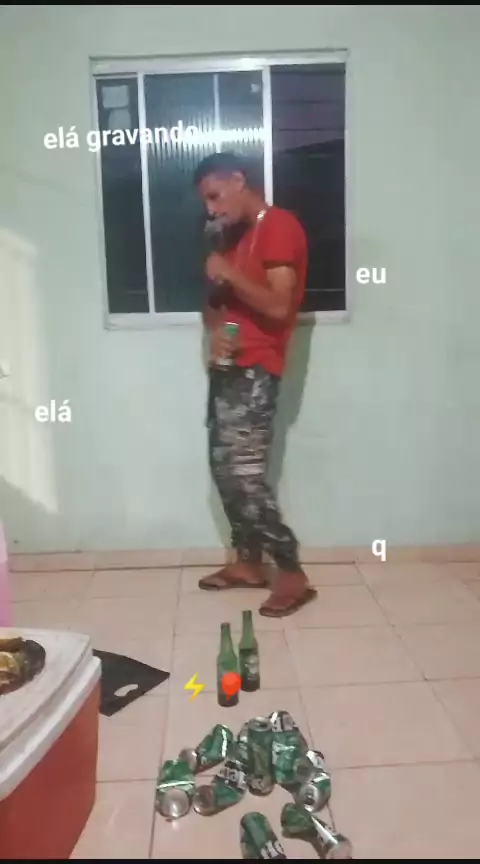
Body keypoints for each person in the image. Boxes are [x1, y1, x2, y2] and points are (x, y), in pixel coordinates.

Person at [194, 151, 316, 617]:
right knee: (224, 471)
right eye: (206, 202)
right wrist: (215, 332)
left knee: (246, 476)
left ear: (238, 181)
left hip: (257, 368)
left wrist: (229, 274)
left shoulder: (280, 227)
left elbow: (279, 307)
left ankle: (291, 572)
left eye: (215, 196)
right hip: (228, 367)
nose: (211, 209)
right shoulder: (232, 238)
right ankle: (247, 562)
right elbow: (219, 306)